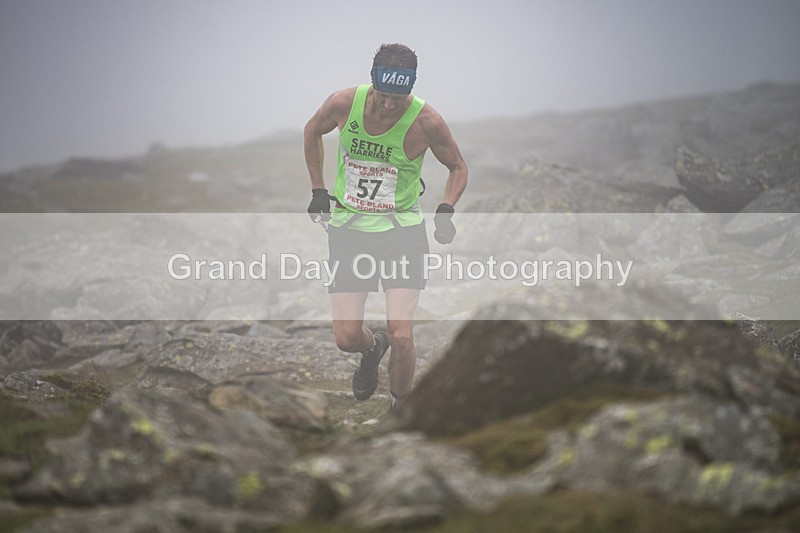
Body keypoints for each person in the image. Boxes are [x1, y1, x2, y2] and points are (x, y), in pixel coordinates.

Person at [303, 43, 468, 409]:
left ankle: (399, 410)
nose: (390, 104)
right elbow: (312, 131)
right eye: (383, 95)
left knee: (402, 335)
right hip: (349, 230)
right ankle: (371, 347)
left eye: (399, 96)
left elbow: (458, 167)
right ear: (372, 81)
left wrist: (445, 209)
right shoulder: (343, 103)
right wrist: (318, 190)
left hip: (402, 232)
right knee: (346, 338)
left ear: (411, 87)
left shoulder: (427, 122)